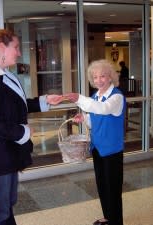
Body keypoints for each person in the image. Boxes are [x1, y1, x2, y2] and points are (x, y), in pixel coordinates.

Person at [0, 29, 63, 225]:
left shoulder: (2, 75)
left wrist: (44, 101)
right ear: (2, 48)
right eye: (16, 47)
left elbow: (15, 105)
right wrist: (24, 132)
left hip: (7, 152)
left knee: (6, 206)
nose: (19, 53)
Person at [64, 59, 126, 225]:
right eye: (95, 77)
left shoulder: (117, 96)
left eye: (103, 76)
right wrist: (84, 117)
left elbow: (103, 109)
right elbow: (95, 118)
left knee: (113, 188)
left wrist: (79, 98)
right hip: (98, 148)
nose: (99, 80)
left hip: (112, 150)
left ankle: (116, 222)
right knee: (102, 186)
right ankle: (108, 217)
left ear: (111, 77)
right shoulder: (95, 96)